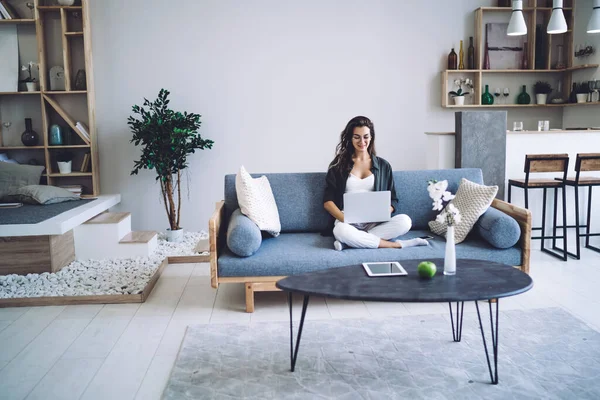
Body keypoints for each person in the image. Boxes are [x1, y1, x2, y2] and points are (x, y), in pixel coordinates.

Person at [323, 116, 427, 250]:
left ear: (371, 138)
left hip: (375, 223)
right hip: (347, 222)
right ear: (350, 138)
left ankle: (351, 241)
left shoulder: (383, 165)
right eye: (357, 137)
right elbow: (328, 201)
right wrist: (344, 219)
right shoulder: (338, 165)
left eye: (366, 137)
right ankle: (395, 245)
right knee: (340, 231)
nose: (362, 141)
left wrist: (381, 213)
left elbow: (393, 200)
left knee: (405, 221)